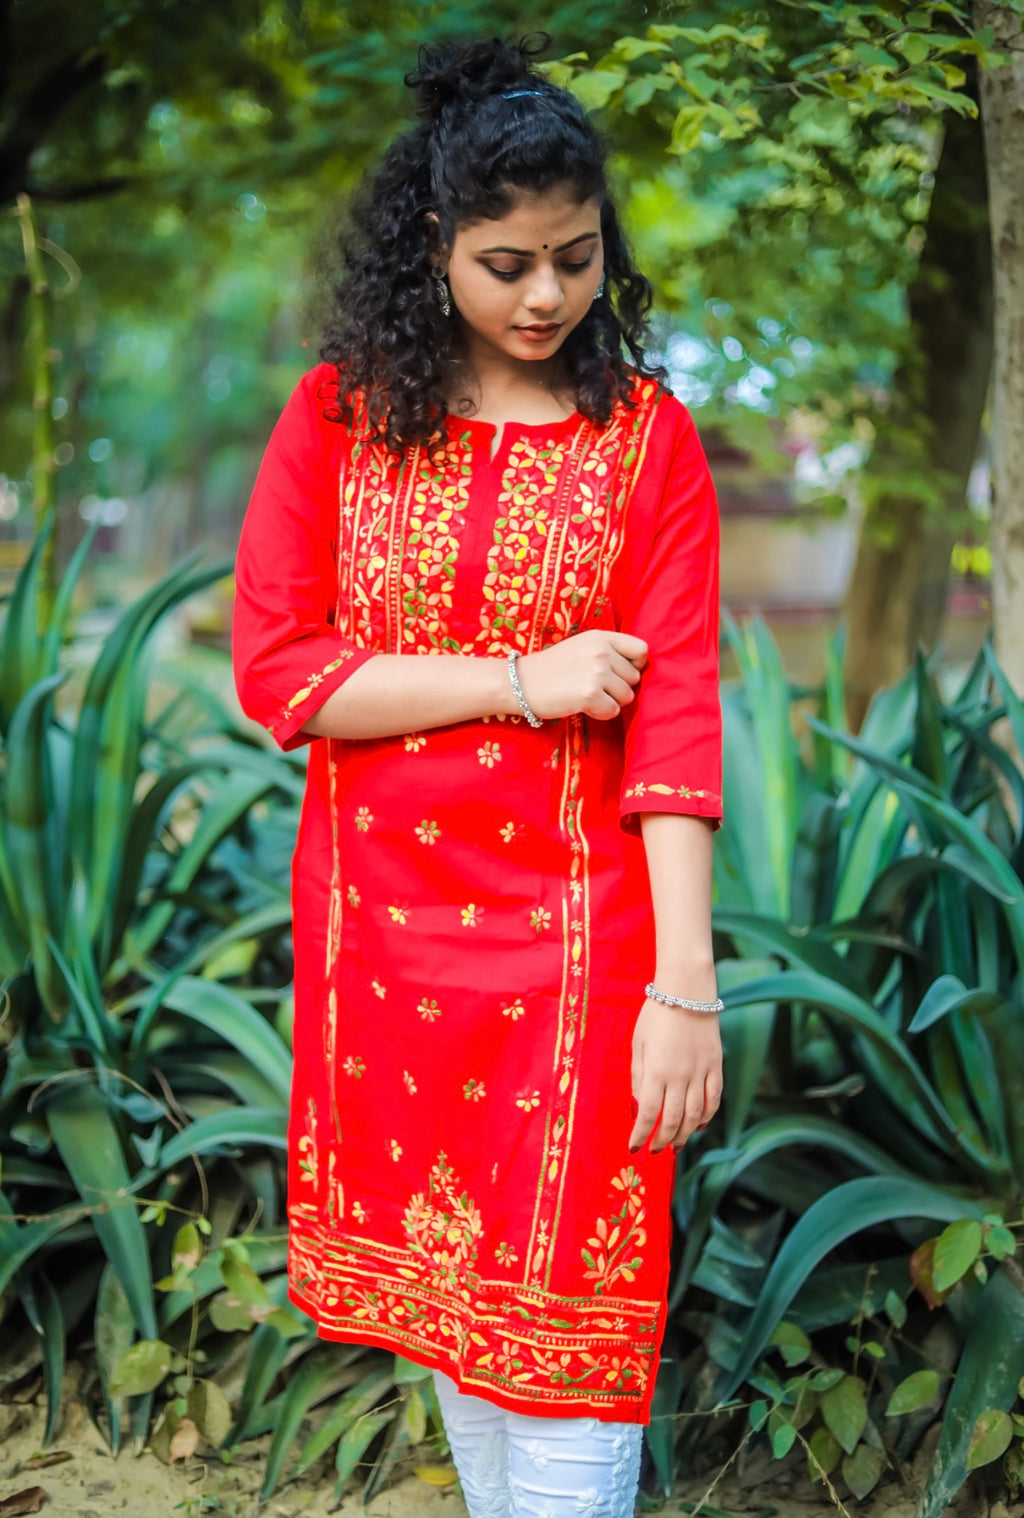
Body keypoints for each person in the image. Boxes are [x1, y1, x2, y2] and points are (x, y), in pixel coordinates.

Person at [232, 34, 724, 1518]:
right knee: (460, 1318)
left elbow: (679, 722)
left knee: (572, 1339)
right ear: (432, 243)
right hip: (386, 953)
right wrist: (527, 679)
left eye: (576, 259)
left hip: (589, 965)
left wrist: (686, 986)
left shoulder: (649, 445)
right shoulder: (337, 418)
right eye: (507, 261)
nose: (547, 296)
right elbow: (282, 672)